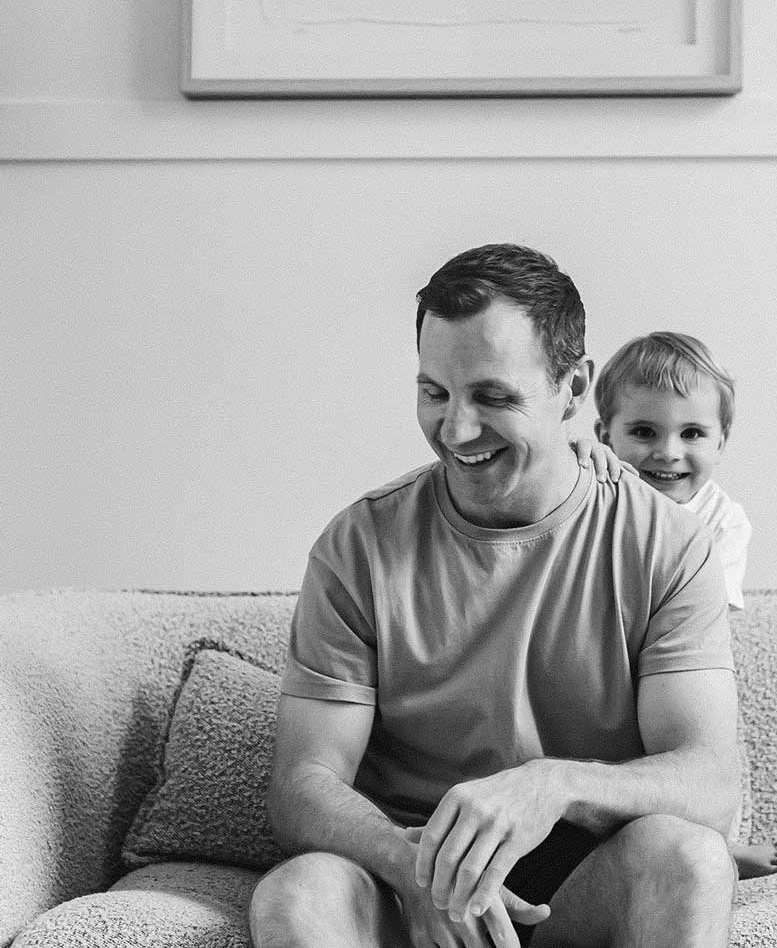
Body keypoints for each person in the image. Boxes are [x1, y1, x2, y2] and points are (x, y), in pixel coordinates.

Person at [248, 244, 741, 948]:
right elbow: (301, 783)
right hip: (408, 877)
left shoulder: (667, 543)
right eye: (435, 393)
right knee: (299, 892)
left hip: (582, 878)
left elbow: (710, 784)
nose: (456, 430)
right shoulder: (359, 544)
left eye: (493, 396)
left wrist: (552, 786)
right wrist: (413, 865)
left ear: (574, 389)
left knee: (690, 858)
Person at [588, 331, 777, 879]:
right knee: (612, 772)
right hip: (602, 666)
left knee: (700, 752)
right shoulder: (593, 492)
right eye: (643, 432)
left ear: (722, 442)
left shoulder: (723, 521)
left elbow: (704, 620)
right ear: (602, 435)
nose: (668, 452)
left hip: (681, 660)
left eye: (693, 433)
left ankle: (719, 848)